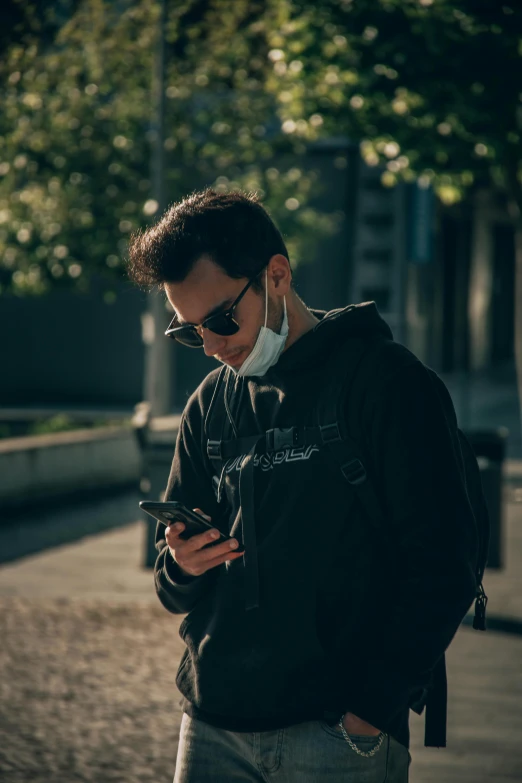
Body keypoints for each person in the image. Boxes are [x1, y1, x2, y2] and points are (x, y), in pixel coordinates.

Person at [127, 188, 477, 782]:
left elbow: (447, 562)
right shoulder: (210, 404)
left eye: (219, 320)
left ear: (278, 275)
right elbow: (174, 586)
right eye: (189, 333)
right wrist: (183, 565)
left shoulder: (389, 385)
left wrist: (371, 708)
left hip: (338, 734)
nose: (211, 347)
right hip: (213, 727)